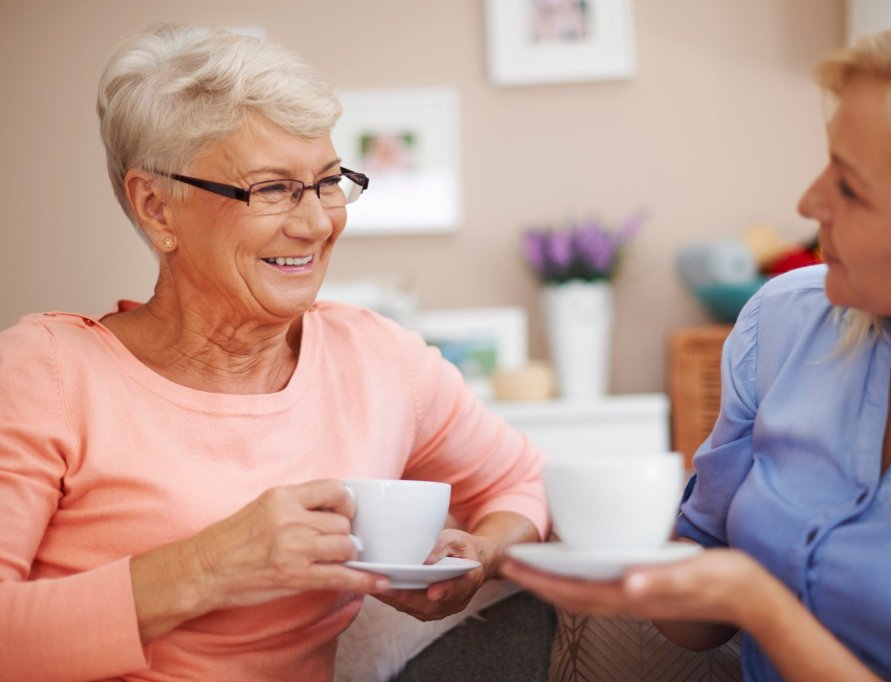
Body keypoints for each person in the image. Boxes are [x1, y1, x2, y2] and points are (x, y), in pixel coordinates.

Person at [0, 23, 548, 682]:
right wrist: (208, 567)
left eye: (326, 182)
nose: (316, 222)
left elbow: (525, 482)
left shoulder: (376, 359)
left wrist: (481, 555)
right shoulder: (45, 373)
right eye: (270, 189)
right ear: (156, 207)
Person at [504, 8, 891, 681]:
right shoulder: (784, 322)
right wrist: (587, 537)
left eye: (849, 185)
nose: (808, 202)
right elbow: (698, 619)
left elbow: (733, 596)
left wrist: (759, 603)